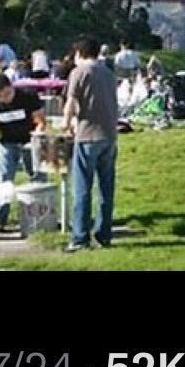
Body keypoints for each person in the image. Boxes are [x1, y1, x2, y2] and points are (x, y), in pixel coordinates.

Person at [64, 40, 119, 252]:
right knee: (106, 188)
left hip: (87, 134)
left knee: (82, 188)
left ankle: (80, 238)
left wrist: (66, 123)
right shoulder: (108, 73)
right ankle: (104, 235)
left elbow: (71, 102)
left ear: (80, 53)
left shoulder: (79, 72)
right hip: (109, 135)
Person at [0, 72, 45, 231]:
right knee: (4, 181)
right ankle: (0, 219)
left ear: (11, 87)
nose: (4, 99)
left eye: (7, 94)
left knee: (38, 176)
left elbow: (40, 121)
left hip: (29, 141)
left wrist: (38, 135)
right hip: (6, 143)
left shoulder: (28, 96)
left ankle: (40, 216)